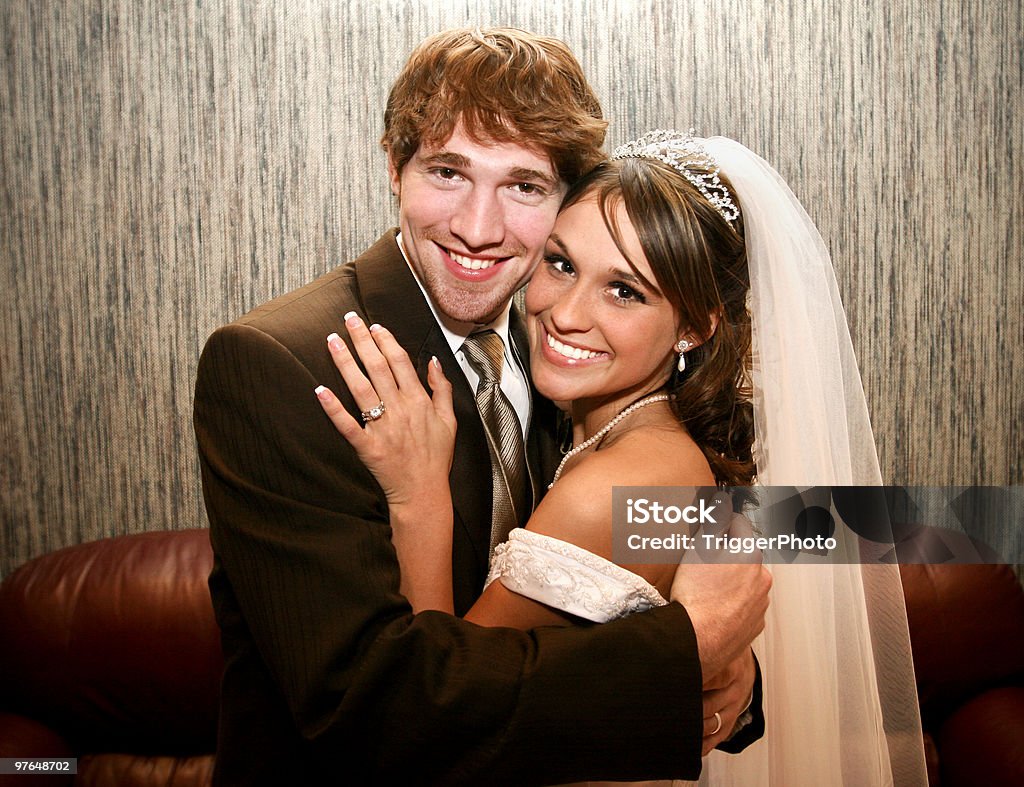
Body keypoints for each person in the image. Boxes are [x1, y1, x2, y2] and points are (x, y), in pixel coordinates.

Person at [193, 30, 769, 785]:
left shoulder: (574, 354)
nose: (477, 227)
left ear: (567, 196)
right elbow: (372, 712)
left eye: (525, 186)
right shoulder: (279, 364)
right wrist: (685, 652)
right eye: (447, 172)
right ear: (394, 167)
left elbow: (654, 561)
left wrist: (734, 675)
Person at [317, 130, 929, 785]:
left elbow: (432, 723)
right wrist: (717, 662)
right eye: (561, 263)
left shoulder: (604, 491)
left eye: (626, 291)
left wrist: (419, 495)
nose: (566, 313)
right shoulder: (659, 445)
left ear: (695, 326)